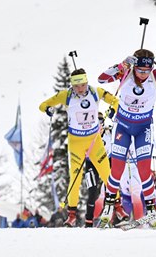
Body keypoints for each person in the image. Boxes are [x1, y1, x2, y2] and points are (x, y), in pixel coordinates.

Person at [97, 49, 156, 227]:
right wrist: (120, 65)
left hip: (143, 128)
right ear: (135, 67)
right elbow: (102, 79)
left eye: (146, 71)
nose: (143, 75)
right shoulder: (126, 72)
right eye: (140, 71)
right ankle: (108, 205)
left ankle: (152, 209)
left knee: (145, 172)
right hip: (122, 126)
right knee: (117, 170)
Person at [39, 68, 118, 227]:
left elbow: (115, 101)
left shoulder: (96, 92)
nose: (80, 89)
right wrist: (49, 109)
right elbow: (42, 105)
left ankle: (116, 208)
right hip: (75, 144)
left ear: (86, 82)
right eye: (77, 86)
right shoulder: (66, 95)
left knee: (107, 175)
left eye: (82, 85)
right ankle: (72, 215)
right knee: (74, 179)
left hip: (94, 141)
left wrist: (112, 111)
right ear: (72, 86)